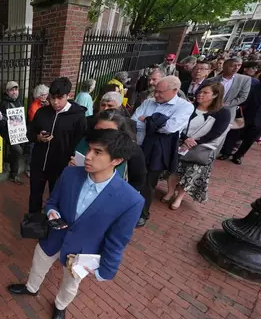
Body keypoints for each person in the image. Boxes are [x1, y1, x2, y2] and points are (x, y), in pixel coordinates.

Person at [7, 129, 144, 319]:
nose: (87, 156)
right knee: (38, 264)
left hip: (82, 252)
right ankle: (31, 287)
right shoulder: (70, 173)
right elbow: (53, 201)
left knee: (71, 283)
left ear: (116, 160)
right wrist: (52, 212)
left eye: (98, 152)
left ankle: (60, 307)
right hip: (53, 237)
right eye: (89, 149)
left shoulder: (131, 200)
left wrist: (105, 270)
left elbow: (117, 240)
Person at [132, 76, 194, 227]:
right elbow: (133, 121)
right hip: (137, 147)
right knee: (131, 179)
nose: (156, 95)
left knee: (147, 184)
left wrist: (147, 119)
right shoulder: (148, 102)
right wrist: (154, 122)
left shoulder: (184, 107)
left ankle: (142, 214)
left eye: (160, 92)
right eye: (155, 91)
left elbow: (170, 128)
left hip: (156, 152)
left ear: (174, 90)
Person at [161, 82, 230, 208]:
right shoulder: (189, 107)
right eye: (199, 92)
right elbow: (178, 124)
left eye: (205, 92)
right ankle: (170, 191)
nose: (200, 95)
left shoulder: (222, 112)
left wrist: (196, 142)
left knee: (190, 173)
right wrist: (185, 139)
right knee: (173, 169)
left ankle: (180, 197)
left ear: (215, 95)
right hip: (181, 143)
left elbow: (217, 132)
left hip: (201, 148)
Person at [27, 77, 87, 214]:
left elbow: (80, 143)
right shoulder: (42, 112)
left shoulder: (78, 116)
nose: (55, 102)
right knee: (35, 194)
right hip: (39, 163)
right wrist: (38, 137)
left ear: (69, 95)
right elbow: (29, 133)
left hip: (61, 166)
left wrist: (72, 161)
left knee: (56, 197)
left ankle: (52, 220)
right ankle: (34, 220)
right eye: (52, 97)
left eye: (60, 98)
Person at [219, 66, 261, 165]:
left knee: (249, 139)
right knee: (234, 134)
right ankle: (226, 153)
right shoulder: (253, 85)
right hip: (245, 115)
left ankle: (238, 156)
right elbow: (244, 100)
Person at [71, 110, 147, 192]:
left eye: (108, 131)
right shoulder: (85, 141)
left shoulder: (133, 150)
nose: (102, 135)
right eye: (99, 130)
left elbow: (138, 180)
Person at [201, 57, 251, 122]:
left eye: (239, 65)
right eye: (233, 65)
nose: (237, 68)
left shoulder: (245, 80)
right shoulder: (210, 80)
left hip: (228, 114)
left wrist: (225, 105)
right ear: (225, 66)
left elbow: (242, 97)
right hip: (208, 111)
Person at [0, 81, 24, 185]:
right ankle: (11, 167)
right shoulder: (3, 103)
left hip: (18, 131)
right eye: (12, 90)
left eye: (16, 89)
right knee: (18, 151)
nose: (14, 92)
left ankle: (13, 173)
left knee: (16, 152)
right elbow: (0, 119)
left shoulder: (19, 100)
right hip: (8, 132)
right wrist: (7, 122)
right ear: (7, 91)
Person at [27, 84, 50, 178]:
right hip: (36, 132)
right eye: (42, 95)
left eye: (46, 94)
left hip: (44, 131)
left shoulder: (47, 103)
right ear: (38, 95)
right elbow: (34, 120)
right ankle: (29, 168)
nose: (45, 97)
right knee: (32, 151)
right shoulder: (34, 106)